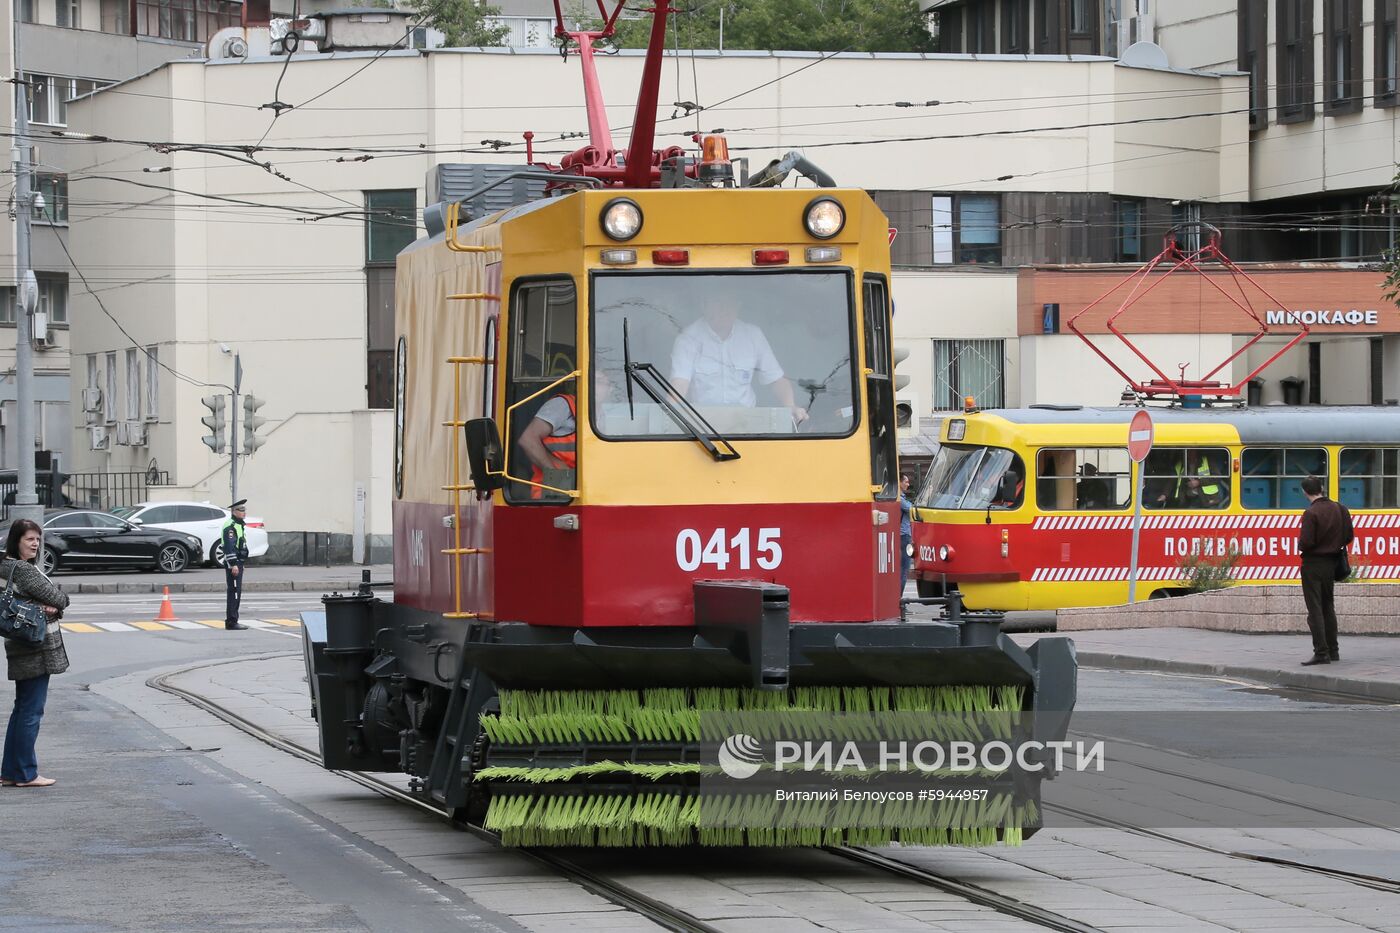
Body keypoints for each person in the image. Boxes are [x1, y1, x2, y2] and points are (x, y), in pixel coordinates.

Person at [1, 518, 70, 788]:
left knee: (21, 710)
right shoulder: (23, 570)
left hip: (19, 643)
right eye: (29, 539)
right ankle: (26, 774)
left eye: (38, 539)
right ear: (16, 540)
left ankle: (10, 772)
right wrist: (53, 605)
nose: (35, 544)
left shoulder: (5, 566)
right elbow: (60, 598)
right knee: (31, 711)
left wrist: (45, 605)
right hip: (36, 646)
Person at [669, 296, 808, 427]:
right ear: (704, 306)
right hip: (702, 427)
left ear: (738, 306)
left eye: (730, 303)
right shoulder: (688, 339)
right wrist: (670, 416)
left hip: (747, 426)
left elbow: (776, 379)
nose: (724, 309)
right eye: (718, 302)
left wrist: (790, 406)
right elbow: (679, 383)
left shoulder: (753, 335)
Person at [1297, 475, 1353, 666]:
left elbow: (1306, 542)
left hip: (1313, 564)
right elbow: (1348, 536)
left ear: (1305, 492)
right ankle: (1333, 650)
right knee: (1328, 606)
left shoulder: (1311, 513)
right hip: (1332, 563)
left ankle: (1321, 652)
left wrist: (1302, 545)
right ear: (1321, 488)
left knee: (1315, 609)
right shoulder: (1340, 508)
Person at [221, 499, 251, 630]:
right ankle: (231, 621)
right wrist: (234, 564)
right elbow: (229, 546)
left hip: (238, 562)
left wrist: (241, 563)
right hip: (233, 563)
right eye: (241, 510)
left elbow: (240, 545)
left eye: (244, 510)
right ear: (234, 512)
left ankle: (233, 620)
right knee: (234, 592)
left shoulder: (239, 525)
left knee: (236, 591)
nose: (244, 512)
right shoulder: (231, 526)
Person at [899, 472, 915, 594]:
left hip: (902, 535)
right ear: (899, 483)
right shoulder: (900, 500)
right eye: (906, 482)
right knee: (904, 568)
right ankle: (898, 599)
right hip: (904, 535)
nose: (908, 484)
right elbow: (913, 510)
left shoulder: (901, 499)